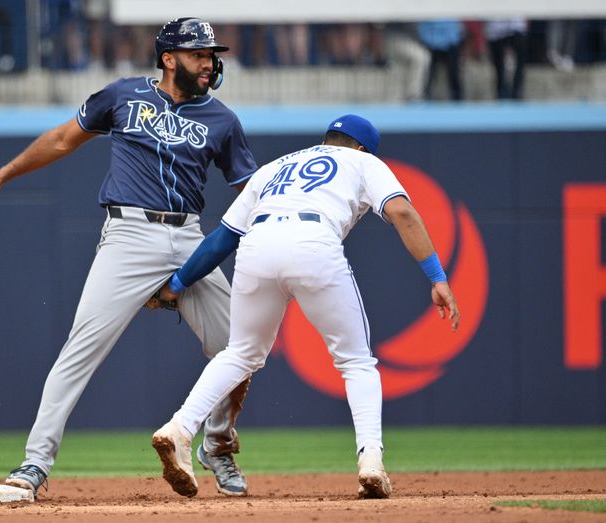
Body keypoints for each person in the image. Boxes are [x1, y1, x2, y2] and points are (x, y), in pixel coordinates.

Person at [0, 17, 257, 497]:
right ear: (168, 58)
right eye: (199, 54)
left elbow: (250, 191)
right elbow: (61, 140)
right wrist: (3, 175)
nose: (209, 62)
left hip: (189, 238)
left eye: (210, 54)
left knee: (239, 350)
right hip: (129, 236)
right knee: (81, 350)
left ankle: (217, 445)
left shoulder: (222, 120)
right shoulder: (122, 96)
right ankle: (35, 464)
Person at [150, 114, 461, 499]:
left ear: (329, 138)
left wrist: (178, 284)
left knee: (240, 353)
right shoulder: (364, 162)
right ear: (362, 147)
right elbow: (401, 211)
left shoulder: (275, 166)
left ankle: (179, 428)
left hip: (257, 244)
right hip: (313, 242)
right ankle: (371, 462)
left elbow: (222, 239)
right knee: (356, 361)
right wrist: (437, 277)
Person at [484, 19, 528, 99]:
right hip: (495, 28)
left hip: (515, 26)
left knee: (520, 59)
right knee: (498, 65)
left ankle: (516, 91)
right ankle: (501, 91)